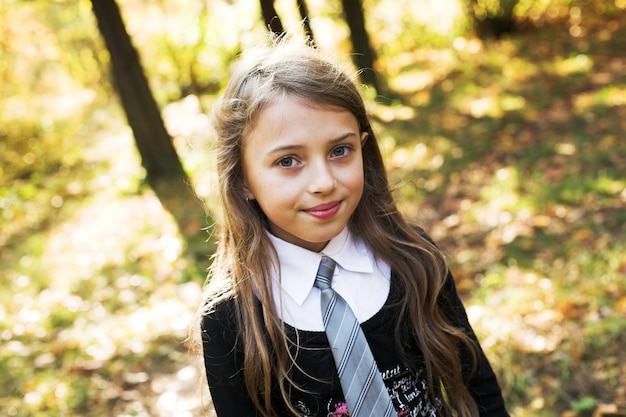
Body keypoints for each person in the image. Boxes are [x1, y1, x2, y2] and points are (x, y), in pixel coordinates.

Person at [197, 39, 510, 417]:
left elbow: (479, 387)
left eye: (340, 151)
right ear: (243, 179)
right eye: (289, 160)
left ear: (363, 148)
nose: (323, 182)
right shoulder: (230, 318)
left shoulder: (412, 258)